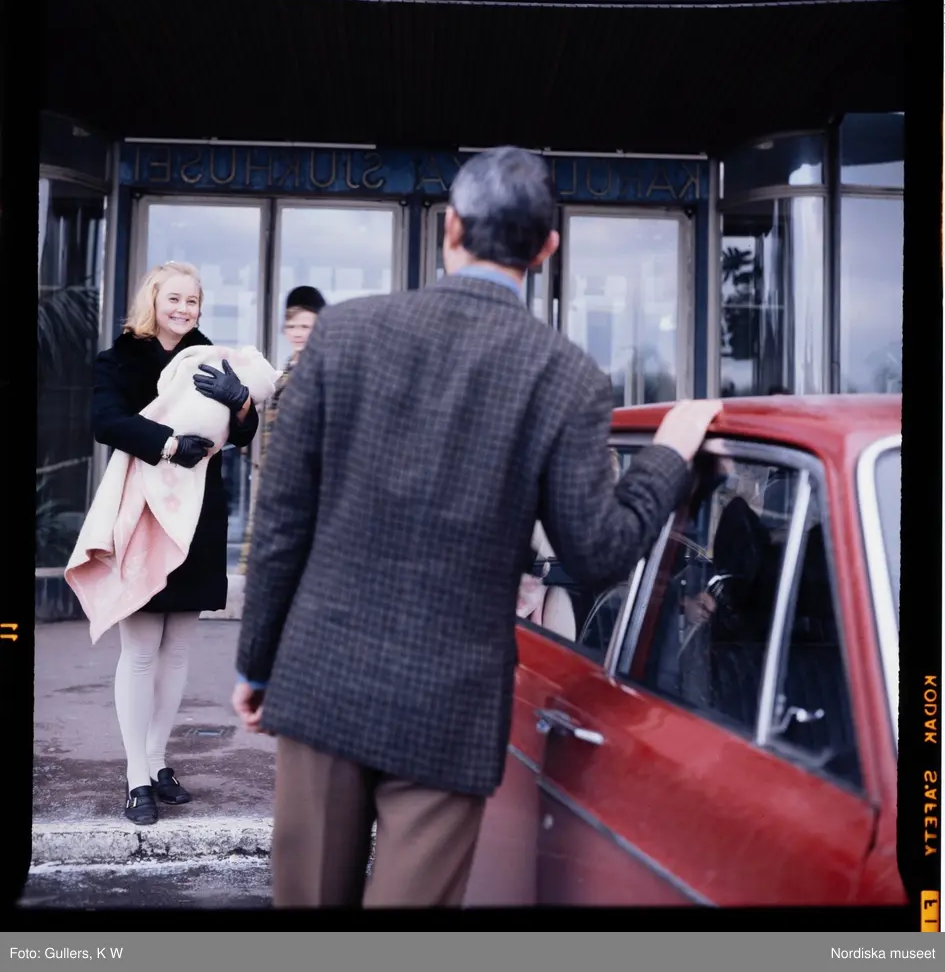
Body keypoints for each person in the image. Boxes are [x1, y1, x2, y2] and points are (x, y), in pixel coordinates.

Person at [232, 146, 720, 908]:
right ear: (546, 249)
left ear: (450, 229)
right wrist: (667, 455)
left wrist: (257, 666)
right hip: (448, 705)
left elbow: (280, 522)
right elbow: (598, 551)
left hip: (322, 680)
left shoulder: (344, 333)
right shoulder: (565, 374)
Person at [91, 261, 259, 825]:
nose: (185, 310)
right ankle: (136, 777)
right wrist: (167, 444)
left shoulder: (210, 358)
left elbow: (241, 434)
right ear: (153, 300)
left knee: (179, 649)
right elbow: (105, 421)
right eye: (175, 299)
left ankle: (158, 761)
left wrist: (242, 402)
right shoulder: (119, 358)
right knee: (140, 650)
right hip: (144, 513)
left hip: (200, 515)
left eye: (193, 301)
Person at [237, 286, 326, 577]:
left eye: (305, 326)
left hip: (302, 475)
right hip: (276, 470)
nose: (297, 333)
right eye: (292, 326)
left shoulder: (320, 368)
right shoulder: (288, 367)